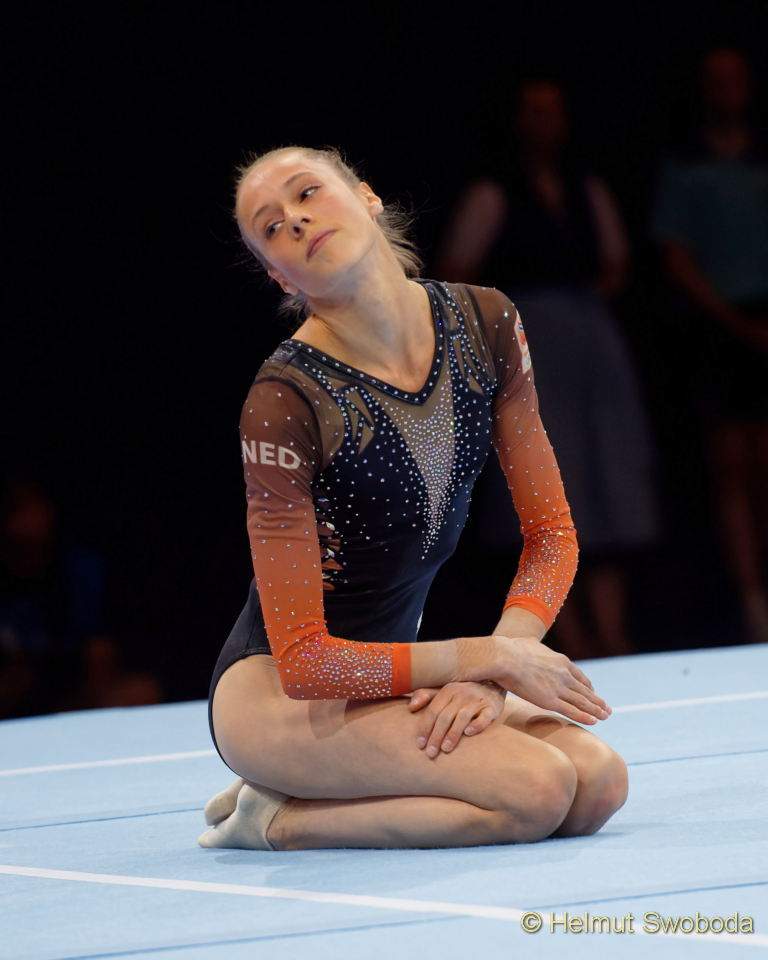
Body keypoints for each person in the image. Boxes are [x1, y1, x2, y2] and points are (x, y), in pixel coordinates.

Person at [199, 144, 628, 852]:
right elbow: (306, 661)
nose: (296, 220)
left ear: (367, 197)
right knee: (538, 790)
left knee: (599, 783)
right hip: (282, 695)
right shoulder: (285, 400)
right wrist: (482, 657)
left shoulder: (486, 323)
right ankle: (272, 820)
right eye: (271, 227)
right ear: (277, 273)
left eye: (307, 193)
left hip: (393, 676)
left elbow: (552, 536)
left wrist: (499, 667)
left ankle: (322, 786)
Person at [433, 77, 663, 661]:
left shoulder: (584, 186)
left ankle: (612, 628)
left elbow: (616, 263)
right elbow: (456, 269)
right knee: (553, 478)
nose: (546, 122)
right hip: (530, 342)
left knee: (607, 473)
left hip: (589, 337)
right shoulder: (495, 191)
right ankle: (570, 632)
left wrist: (580, 305)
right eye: (534, 111)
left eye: (554, 111)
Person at [650, 47, 768, 644]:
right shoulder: (687, 166)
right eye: (716, 79)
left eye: (735, 77)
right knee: (731, 470)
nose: (727, 88)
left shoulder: (760, 159)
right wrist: (730, 321)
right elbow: (675, 256)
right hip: (719, 328)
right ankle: (752, 601)